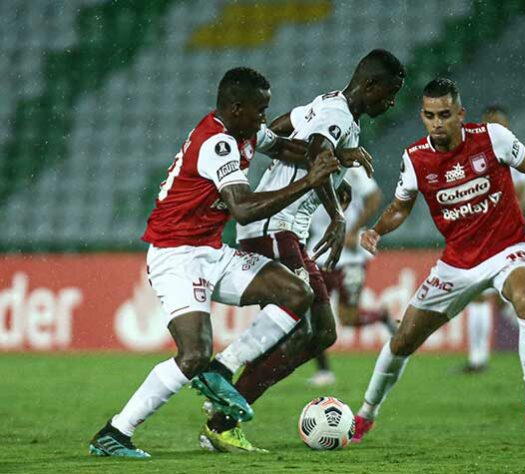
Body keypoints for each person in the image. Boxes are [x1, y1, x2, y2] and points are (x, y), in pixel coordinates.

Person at [88, 67, 340, 458]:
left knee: (296, 292)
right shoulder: (216, 144)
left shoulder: (247, 132)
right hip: (176, 255)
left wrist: (333, 156)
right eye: (259, 109)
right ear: (235, 107)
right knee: (192, 355)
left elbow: (287, 148)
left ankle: (224, 367)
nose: (264, 117)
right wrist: (310, 181)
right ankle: (115, 432)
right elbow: (242, 209)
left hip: (211, 250)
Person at [197, 49, 405, 453]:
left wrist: (336, 178)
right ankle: (222, 386)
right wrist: (336, 214)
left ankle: (224, 407)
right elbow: (315, 153)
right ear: (371, 85)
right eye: (391, 92)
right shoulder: (338, 116)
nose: (392, 102)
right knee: (313, 327)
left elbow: (272, 132)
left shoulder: (327, 104)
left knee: (318, 332)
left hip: (284, 228)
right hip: (277, 227)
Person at [351, 78, 525, 443]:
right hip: (456, 264)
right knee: (403, 341)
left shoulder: (493, 137)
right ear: (422, 116)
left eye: (445, 115)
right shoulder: (416, 157)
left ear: (460, 114)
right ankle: (365, 415)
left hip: (507, 248)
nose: (437, 123)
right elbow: (401, 207)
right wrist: (377, 230)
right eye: (430, 115)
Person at [460, 105, 525, 373]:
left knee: (491, 296)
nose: (497, 129)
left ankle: (478, 359)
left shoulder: (509, 156)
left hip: (503, 238)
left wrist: (502, 217)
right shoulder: (475, 156)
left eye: (501, 124)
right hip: (482, 236)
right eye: (491, 123)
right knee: (497, 298)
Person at [306, 165, 395, 387]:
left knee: (348, 318)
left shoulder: (349, 169)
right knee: (310, 314)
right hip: (317, 254)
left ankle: (381, 316)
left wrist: (353, 230)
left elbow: (375, 197)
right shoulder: (299, 166)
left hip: (350, 258)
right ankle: (324, 371)